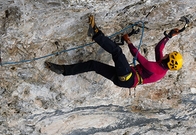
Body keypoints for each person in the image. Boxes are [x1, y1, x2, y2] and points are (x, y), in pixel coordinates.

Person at [45, 15, 183, 88]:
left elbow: (138, 57)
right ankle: (63, 70)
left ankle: (95, 33)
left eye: (168, 55)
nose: (165, 54)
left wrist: (128, 41)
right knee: (93, 65)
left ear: (168, 60)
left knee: (117, 52)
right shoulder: (162, 67)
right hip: (125, 80)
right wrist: (169, 36)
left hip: (128, 76)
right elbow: (158, 48)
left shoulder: (155, 69)